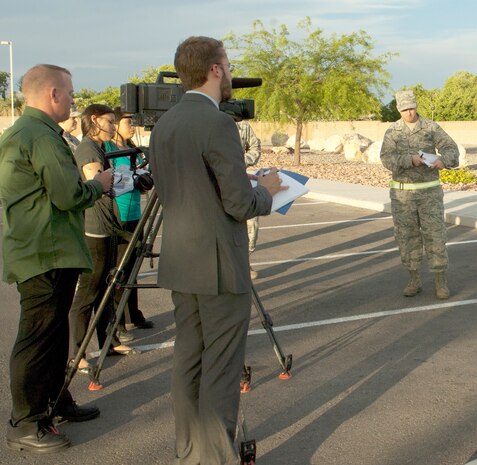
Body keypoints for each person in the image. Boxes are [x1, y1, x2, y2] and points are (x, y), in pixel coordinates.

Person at [149, 36, 286, 464]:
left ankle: (190, 452)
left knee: (188, 362)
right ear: (214, 70)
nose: (230, 72)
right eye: (227, 64)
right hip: (219, 267)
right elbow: (239, 204)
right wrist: (265, 190)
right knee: (223, 370)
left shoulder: (165, 123)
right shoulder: (217, 123)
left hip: (181, 262)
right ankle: (217, 458)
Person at [0, 64, 111, 453]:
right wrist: (98, 185)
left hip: (46, 250)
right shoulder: (41, 136)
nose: (72, 100)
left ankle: (54, 402)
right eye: (69, 93)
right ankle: (26, 423)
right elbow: (68, 195)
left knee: (52, 334)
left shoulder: (29, 133)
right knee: (37, 338)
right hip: (45, 252)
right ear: (52, 94)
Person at [68, 104, 136, 375]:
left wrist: (134, 176)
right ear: (94, 120)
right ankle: (77, 352)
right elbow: (100, 183)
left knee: (107, 285)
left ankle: (108, 340)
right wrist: (129, 178)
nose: (112, 126)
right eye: (109, 121)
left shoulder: (101, 147)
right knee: (89, 291)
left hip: (108, 226)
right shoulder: (88, 149)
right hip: (94, 229)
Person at [380, 89, 459, 300]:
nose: (409, 113)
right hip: (403, 196)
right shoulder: (392, 132)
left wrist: (445, 161)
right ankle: (413, 279)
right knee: (407, 238)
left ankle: (440, 282)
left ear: (416, 106)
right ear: (399, 109)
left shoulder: (430, 127)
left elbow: (451, 148)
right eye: (405, 109)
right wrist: (409, 160)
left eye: (412, 108)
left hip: (429, 194)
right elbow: (387, 159)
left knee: (435, 236)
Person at [104, 107, 155, 330]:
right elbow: (109, 182)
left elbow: (141, 176)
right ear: (115, 125)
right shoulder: (108, 149)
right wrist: (133, 181)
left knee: (133, 267)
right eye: (128, 123)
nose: (132, 126)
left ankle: (133, 313)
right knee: (119, 269)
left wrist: (144, 181)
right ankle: (118, 320)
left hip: (136, 213)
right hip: (119, 215)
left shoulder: (133, 149)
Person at [235, 118, 262, 279]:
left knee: (252, 223)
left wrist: (242, 161)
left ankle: (245, 259)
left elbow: (255, 147)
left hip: (240, 178)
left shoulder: (243, 126)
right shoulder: (208, 121)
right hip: (215, 180)